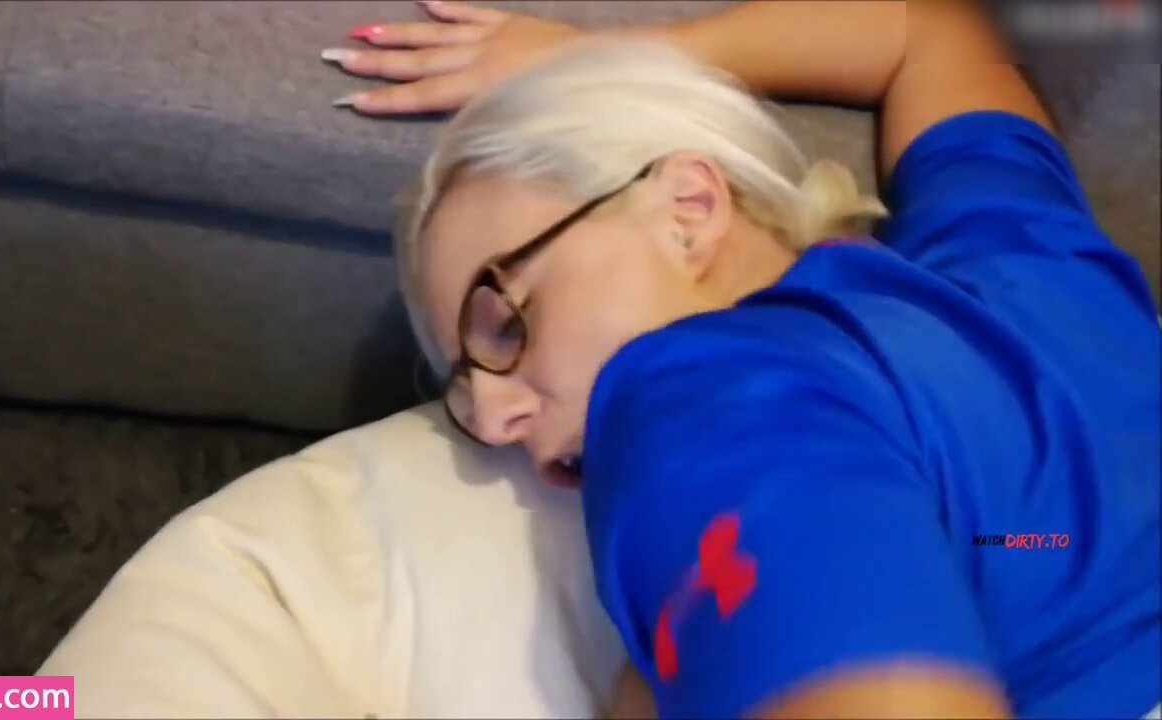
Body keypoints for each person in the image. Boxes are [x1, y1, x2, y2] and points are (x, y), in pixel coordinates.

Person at [323, 1, 1161, 717]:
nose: (496, 419)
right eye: (465, 395)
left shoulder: (697, 386)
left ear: (686, 210)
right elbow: (932, 35)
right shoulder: (1011, 252)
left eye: (504, 326)